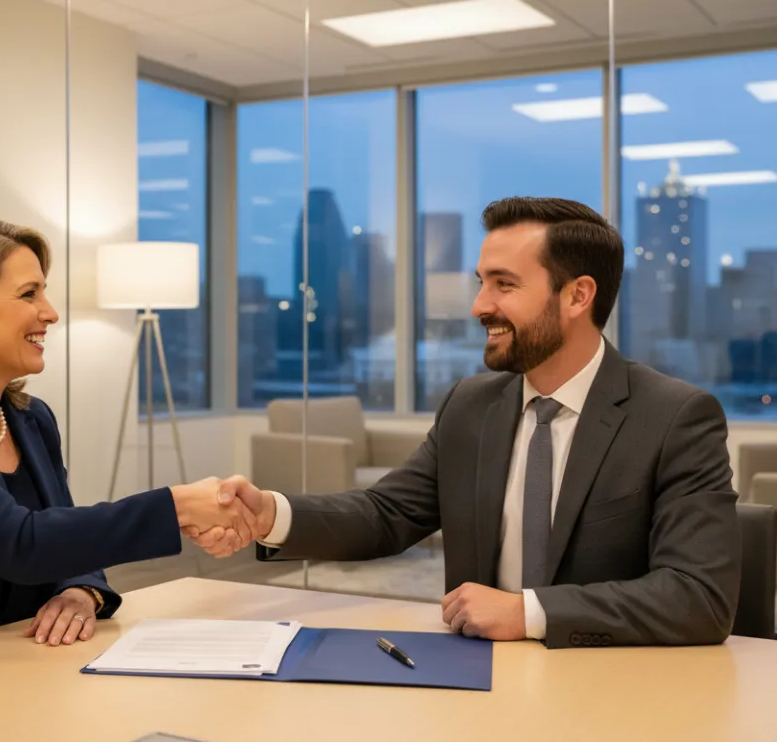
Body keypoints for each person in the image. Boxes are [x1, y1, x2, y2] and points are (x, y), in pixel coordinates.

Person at [193, 197, 741, 649]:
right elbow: (386, 514)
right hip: (474, 681)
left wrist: (527, 612)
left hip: (612, 688)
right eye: (481, 282)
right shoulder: (471, 406)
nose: (479, 305)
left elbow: (697, 596)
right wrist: (270, 515)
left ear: (578, 295)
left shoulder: (675, 418)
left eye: (504, 284)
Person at [0, 213, 252, 665]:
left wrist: (81, 589)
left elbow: (65, 536)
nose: (50, 312)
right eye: (29, 294)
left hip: (16, 662)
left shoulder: (31, 419)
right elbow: (19, 543)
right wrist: (179, 506)